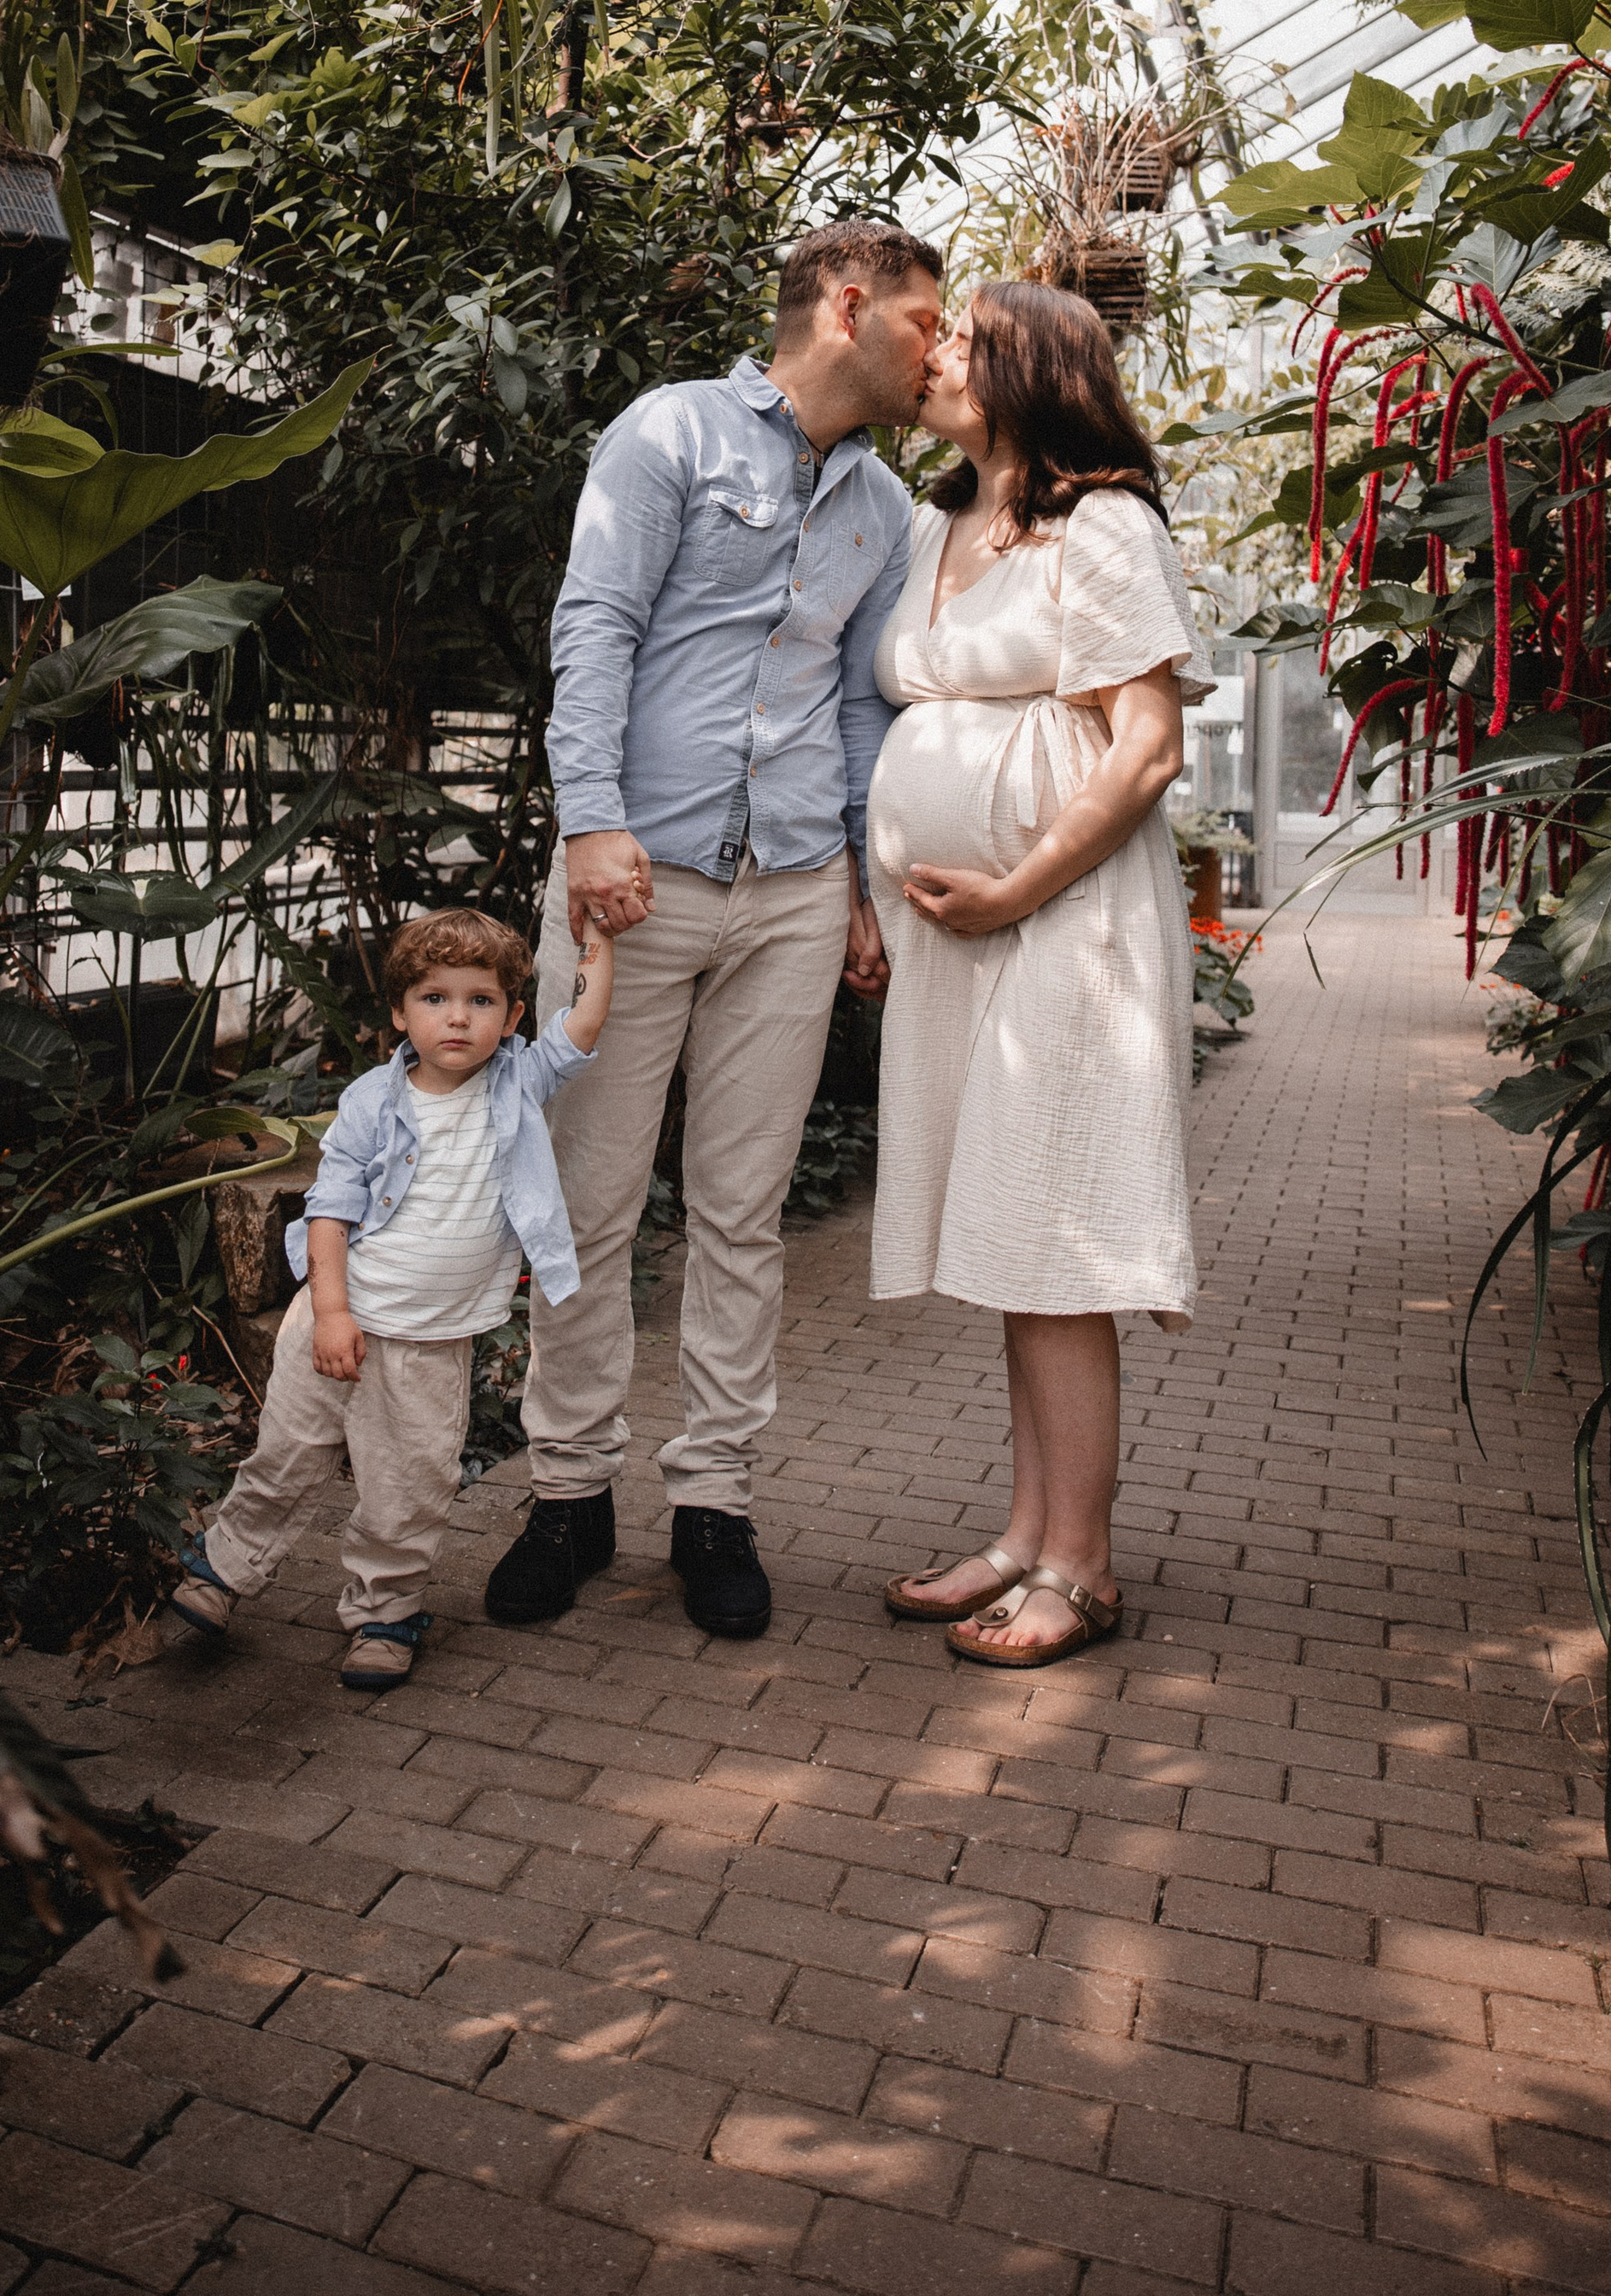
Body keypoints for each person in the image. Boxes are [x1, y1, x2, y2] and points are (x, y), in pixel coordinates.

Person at [483, 218, 944, 1643]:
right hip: (640, 884)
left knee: (745, 1213)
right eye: (926, 321)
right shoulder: (671, 433)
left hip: (798, 893)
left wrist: (862, 887)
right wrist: (590, 820)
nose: (942, 352)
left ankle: (715, 1504)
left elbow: (864, 705)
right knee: (590, 1200)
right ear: (848, 305)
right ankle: (567, 1493)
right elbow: (596, 625)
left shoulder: (885, 508)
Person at [867, 281, 1211, 1670]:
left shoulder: (1106, 525)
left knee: (1060, 1243)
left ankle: (1084, 1566)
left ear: (1034, 369)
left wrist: (1012, 883)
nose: (933, 360)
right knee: (1013, 1238)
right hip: (961, 945)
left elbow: (1145, 748)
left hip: (1071, 924)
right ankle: (1022, 1536)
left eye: (960, 344)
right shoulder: (932, 521)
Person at [172, 907, 612, 1688]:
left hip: (433, 1341)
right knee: (288, 1454)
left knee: (409, 1484)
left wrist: (601, 945)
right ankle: (223, 1569)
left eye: (481, 1002)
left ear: (512, 1017)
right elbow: (329, 1214)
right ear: (401, 1010)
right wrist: (333, 1313)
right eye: (435, 998)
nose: (457, 1017)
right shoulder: (374, 1102)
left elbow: (579, 1027)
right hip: (337, 1320)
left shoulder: (519, 1082)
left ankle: (386, 1610)